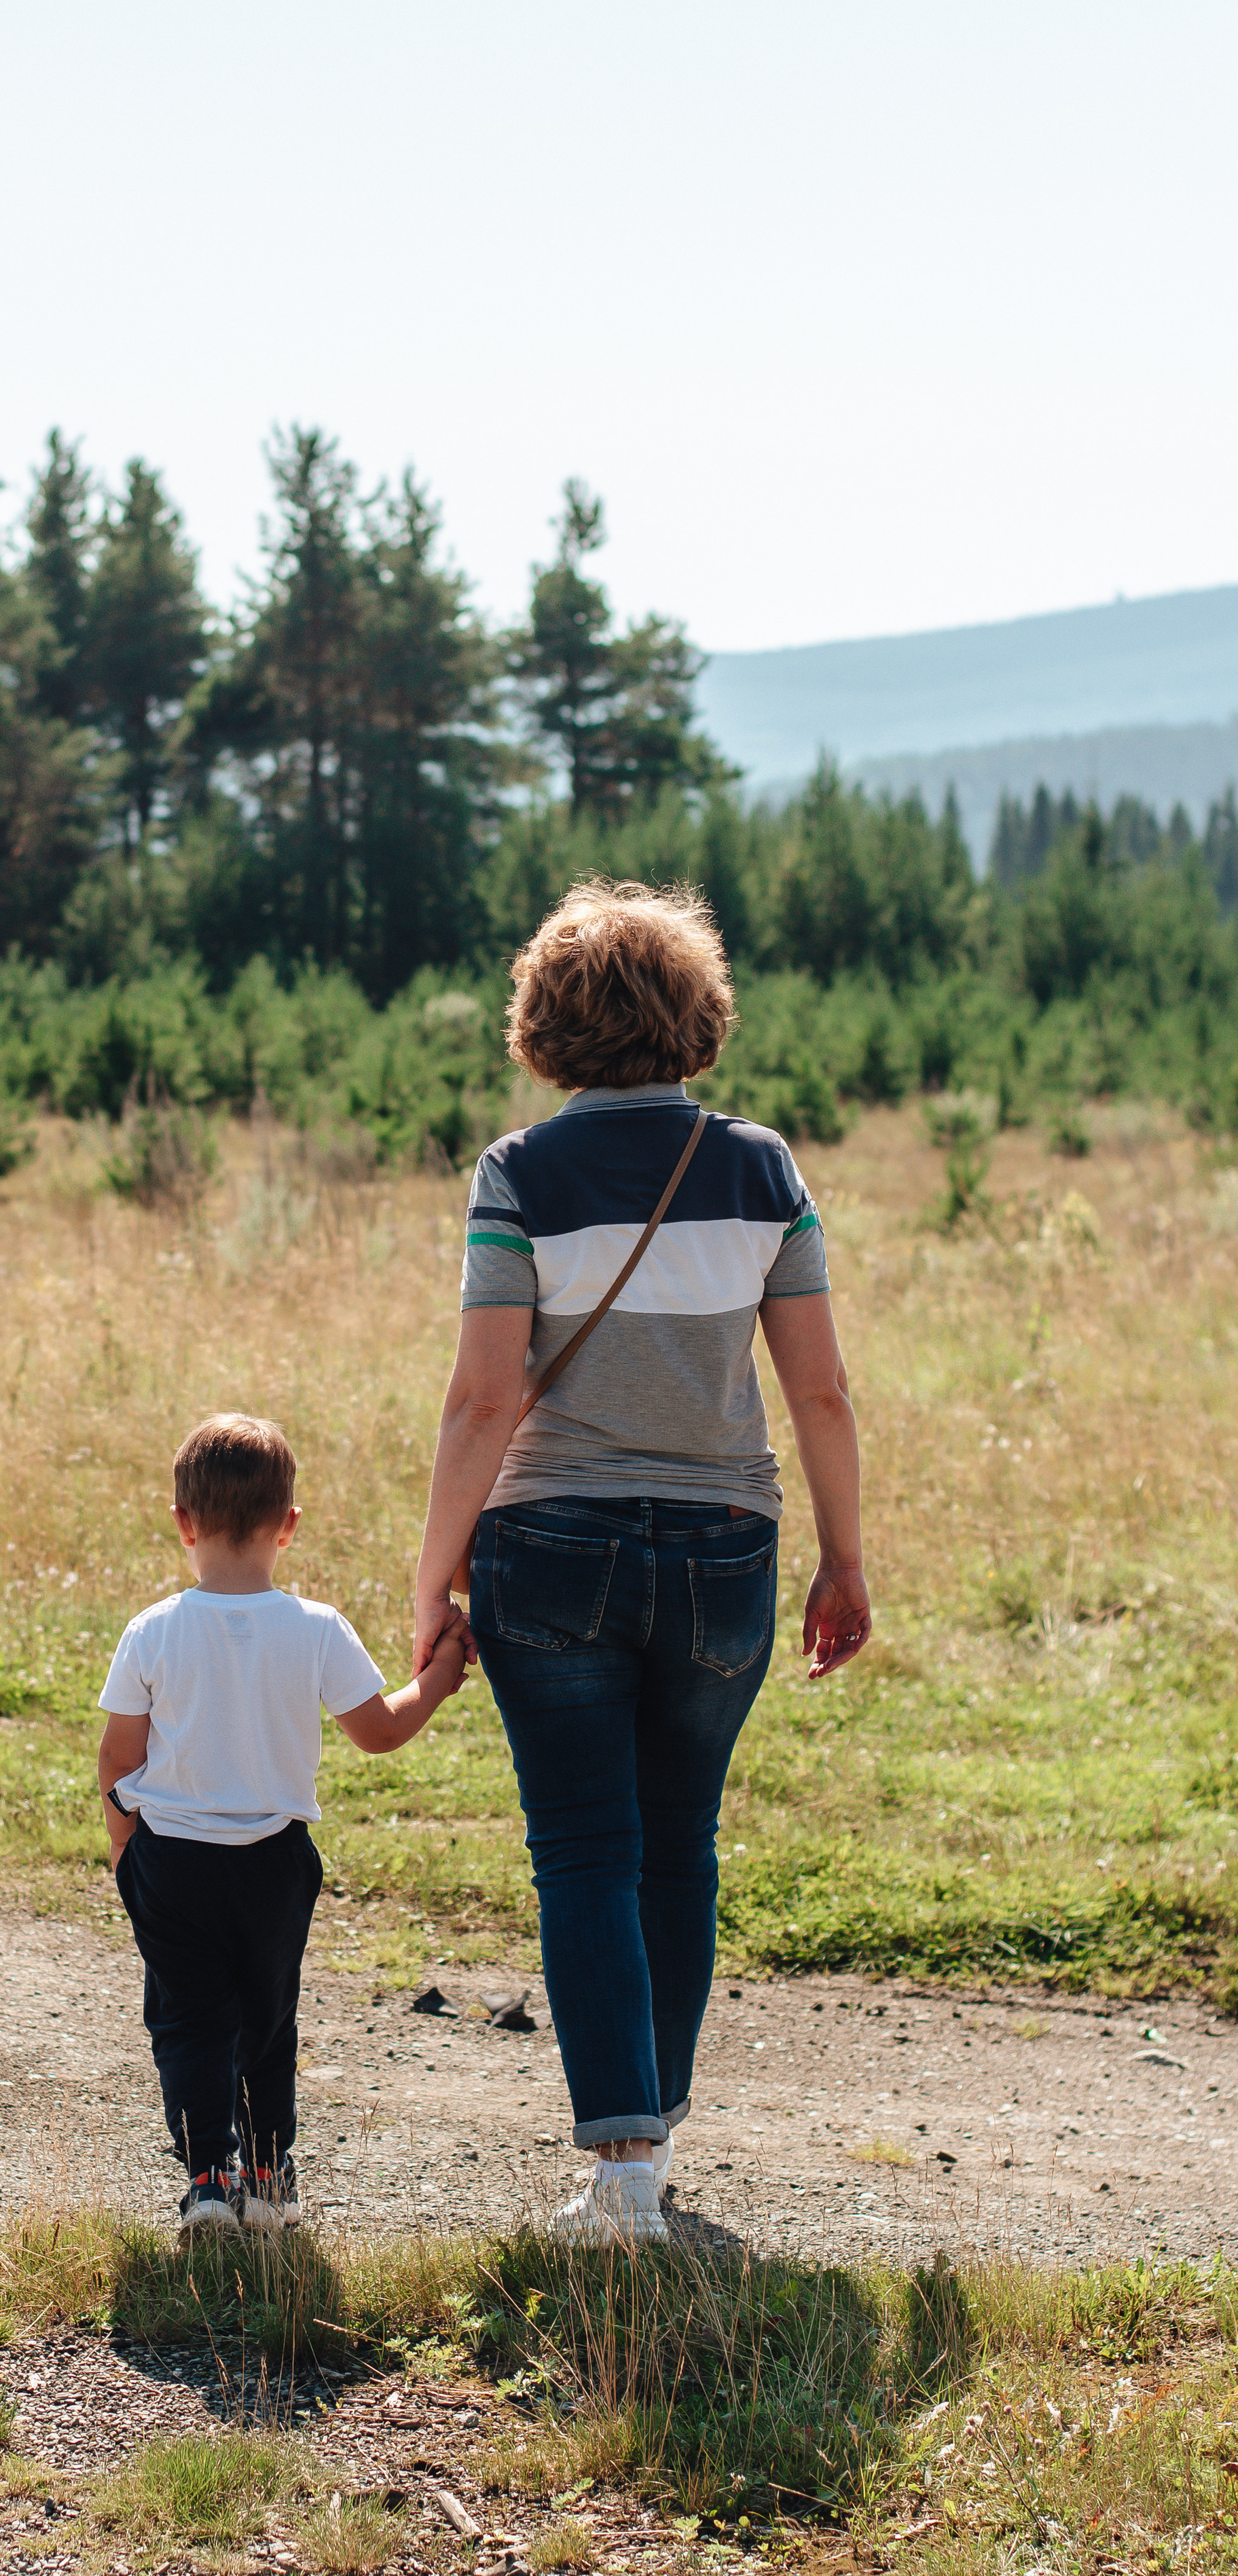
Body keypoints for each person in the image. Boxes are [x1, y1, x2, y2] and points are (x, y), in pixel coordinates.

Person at [412, 881, 871, 2244]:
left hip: (551, 1546)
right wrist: (843, 1560)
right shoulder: (758, 1168)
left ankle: (621, 2176)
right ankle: (645, 2155)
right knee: (679, 1846)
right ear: (693, 1018)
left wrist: (432, 1575)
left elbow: (483, 1401)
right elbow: (822, 1395)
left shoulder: (520, 1175)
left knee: (583, 1853)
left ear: (543, 1023)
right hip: (727, 1544)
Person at [98, 1412, 469, 2234]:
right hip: (274, 1861)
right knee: (267, 2014)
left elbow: (117, 1758)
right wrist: (440, 1674)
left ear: (182, 1523)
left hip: (172, 1862)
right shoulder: (316, 1628)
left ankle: (205, 2180)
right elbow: (378, 1732)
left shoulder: (152, 1631)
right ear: (289, 1526)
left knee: (189, 2018)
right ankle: (268, 2177)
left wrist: (127, 1851)